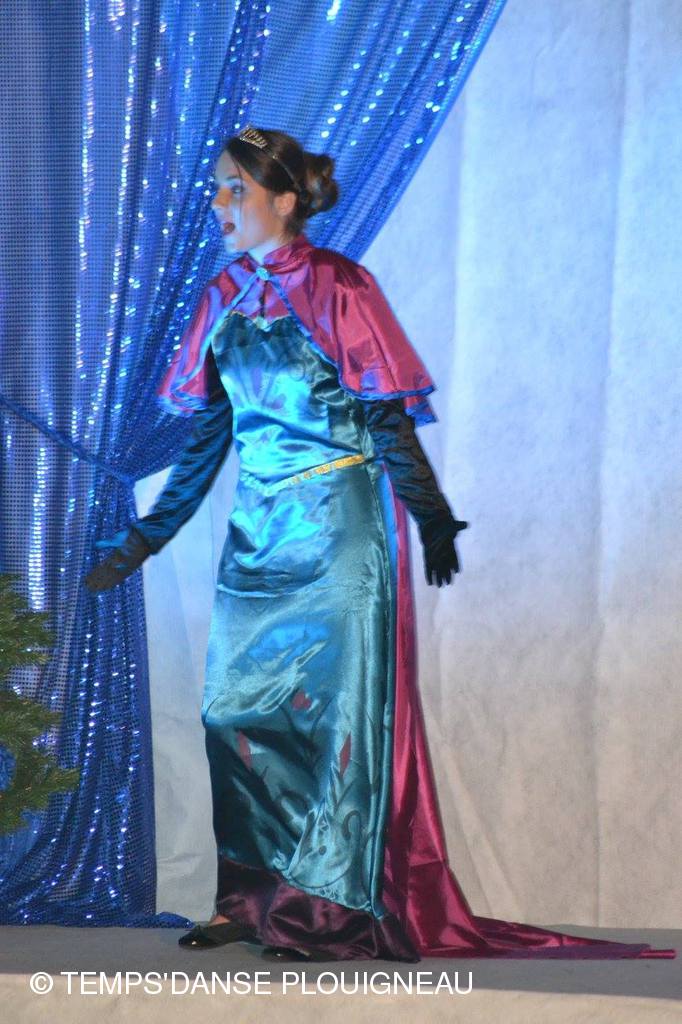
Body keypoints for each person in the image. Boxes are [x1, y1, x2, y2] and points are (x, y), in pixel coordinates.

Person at [85, 126, 675, 963]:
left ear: (283, 200)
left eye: (234, 188)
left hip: (340, 528)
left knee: (333, 727)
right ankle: (247, 900)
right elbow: (211, 437)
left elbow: (385, 416)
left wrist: (430, 515)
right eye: (217, 187)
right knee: (234, 716)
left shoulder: (339, 284)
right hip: (258, 537)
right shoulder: (222, 295)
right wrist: (146, 538)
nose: (217, 202)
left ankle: (325, 912)